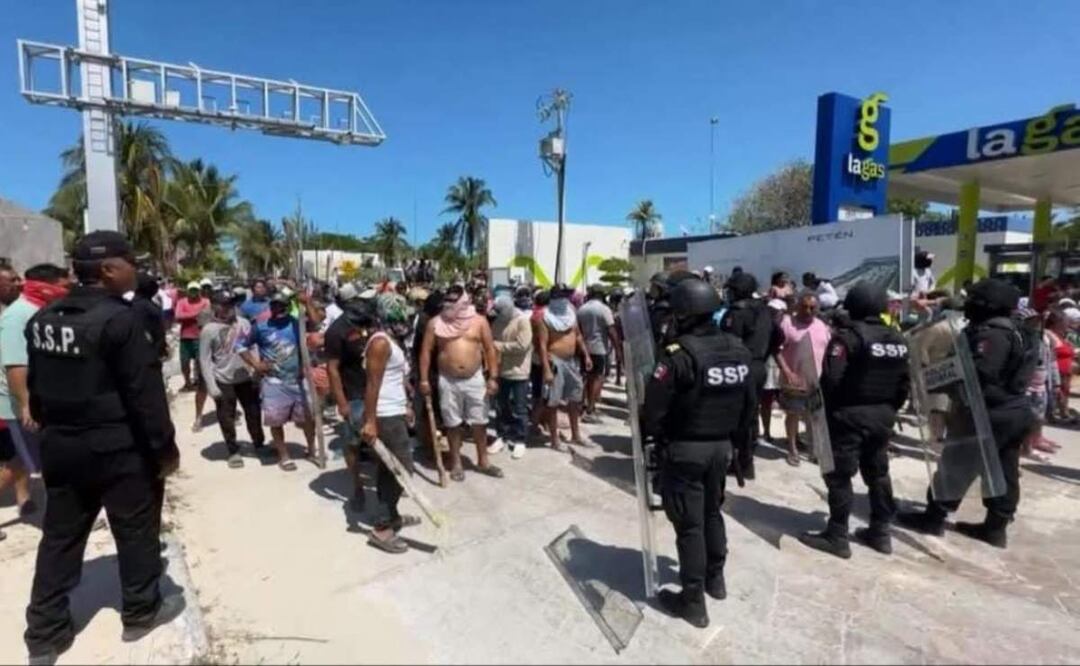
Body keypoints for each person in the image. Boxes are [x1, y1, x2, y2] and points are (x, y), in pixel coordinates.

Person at [23, 231, 183, 663]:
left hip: (61, 445)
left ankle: (45, 633)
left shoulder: (44, 318)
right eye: (131, 262)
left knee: (60, 537)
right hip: (118, 448)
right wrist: (165, 450)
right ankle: (141, 611)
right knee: (135, 530)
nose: (137, 269)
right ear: (110, 270)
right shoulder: (121, 321)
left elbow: (37, 389)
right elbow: (145, 396)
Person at [642, 278, 754, 629]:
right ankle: (715, 579)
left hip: (685, 449)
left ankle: (692, 601)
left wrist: (653, 438)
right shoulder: (738, 349)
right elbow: (749, 407)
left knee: (689, 524)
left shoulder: (678, 355)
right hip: (722, 447)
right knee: (712, 513)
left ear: (683, 314)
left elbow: (654, 411)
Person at [897, 278, 1037, 548]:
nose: (968, 305)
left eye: (973, 301)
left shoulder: (991, 334)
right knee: (1003, 470)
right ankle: (996, 528)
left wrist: (939, 380)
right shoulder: (1019, 330)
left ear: (988, 305)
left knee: (956, 465)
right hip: (1014, 411)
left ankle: (934, 517)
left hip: (987, 413)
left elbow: (980, 374)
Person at [798, 282, 911, 558]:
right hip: (883, 416)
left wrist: (827, 411)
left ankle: (837, 535)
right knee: (878, 474)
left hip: (848, 416)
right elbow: (904, 384)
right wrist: (888, 410)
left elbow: (831, 380)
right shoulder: (898, 340)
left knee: (839, 476)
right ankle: (880, 532)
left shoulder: (847, 338)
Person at [1, 263, 72, 501]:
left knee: (24, 461)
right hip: (23, 404)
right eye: (63, 286)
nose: (67, 290)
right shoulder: (17, 316)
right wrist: (26, 404)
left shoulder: (45, 309)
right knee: (29, 462)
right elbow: (16, 365)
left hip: (43, 399)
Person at [418, 285, 503, 481]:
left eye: (453, 300)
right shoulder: (435, 323)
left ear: (463, 302)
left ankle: (483, 461)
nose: (448, 304)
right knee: (452, 423)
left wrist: (493, 377)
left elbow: (490, 349)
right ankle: (456, 463)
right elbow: (425, 352)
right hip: (448, 381)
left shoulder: (479, 321)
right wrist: (423, 380)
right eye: (447, 299)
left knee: (480, 421)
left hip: (475, 380)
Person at [360, 296, 418, 554]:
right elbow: (372, 384)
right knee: (401, 470)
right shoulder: (380, 343)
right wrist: (371, 421)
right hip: (384, 415)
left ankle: (391, 516)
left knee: (390, 470)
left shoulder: (392, 340)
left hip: (394, 411)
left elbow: (395, 378)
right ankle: (382, 527)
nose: (405, 319)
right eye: (400, 315)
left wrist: (406, 405)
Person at [238, 291, 317, 471]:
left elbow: (315, 323)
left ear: (288, 307)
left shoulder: (296, 324)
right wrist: (256, 364)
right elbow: (240, 345)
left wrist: (308, 302)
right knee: (276, 421)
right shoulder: (260, 327)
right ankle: (284, 455)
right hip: (274, 382)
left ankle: (312, 449)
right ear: (271, 307)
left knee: (308, 418)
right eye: (275, 305)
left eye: (282, 306)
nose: (279, 309)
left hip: (298, 380)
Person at [720, 272, 780, 480]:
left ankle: (739, 460)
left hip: (739, 368)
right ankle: (747, 460)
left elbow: (728, 343)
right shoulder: (766, 310)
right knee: (751, 413)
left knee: (736, 414)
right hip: (759, 366)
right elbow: (778, 337)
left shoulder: (736, 313)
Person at [199, 294, 265, 468]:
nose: (228, 308)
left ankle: (259, 443)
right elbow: (205, 360)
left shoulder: (244, 323)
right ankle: (233, 450)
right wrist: (211, 386)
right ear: (215, 307)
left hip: (246, 375)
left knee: (254, 411)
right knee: (226, 416)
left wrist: (256, 369)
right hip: (223, 378)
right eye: (224, 305)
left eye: (231, 304)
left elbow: (253, 346)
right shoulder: (209, 330)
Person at [325, 295, 374, 511]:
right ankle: (358, 487)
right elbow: (332, 368)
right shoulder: (336, 332)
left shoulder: (369, 322)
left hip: (376, 389)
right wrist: (341, 402)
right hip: (353, 392)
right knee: (352, 442)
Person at [776, 291, 831, 466]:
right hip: (794, 381)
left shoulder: (822, 326)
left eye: (812, 308)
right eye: (804, 306)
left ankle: (814, 450)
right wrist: (787, 372)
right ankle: (792, 448)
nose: (808, 311)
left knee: (814, 416)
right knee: (793, 415)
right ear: (798, 306)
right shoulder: (787, 324)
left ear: (817, 309)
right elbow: (776, 350)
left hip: (816, 380)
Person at [538, 284, 592, 450]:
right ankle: (554, 440)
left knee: (575, 398)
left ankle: (576, 435)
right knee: (553, 402)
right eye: (562, 296)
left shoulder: (571, 313)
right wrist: (547, 369)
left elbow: (578, 336)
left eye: (566, 296)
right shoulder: (545, 317)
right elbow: (542, 346)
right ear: (554, 298)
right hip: (555, 362)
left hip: (571, 362)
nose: (564, 300)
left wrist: (586, 355)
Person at [490, 294, 533, 459]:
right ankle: (502, 435)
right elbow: (492, 338)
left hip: (519, 372)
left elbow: (522, 345)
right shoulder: (498, 321)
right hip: (501, 370)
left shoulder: (522, 321)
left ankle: (520, 440)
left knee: (520, 408)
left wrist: (499, 346)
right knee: (501, 406)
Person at [577, 284, 622, 422]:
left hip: (584, 348)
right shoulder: (604, 309)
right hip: (599, 348)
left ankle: (582, 404)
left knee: (585, 377)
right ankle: (591, 408)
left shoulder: (582, 309)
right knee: (598, 377)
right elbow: (611, 330)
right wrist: (618, 349)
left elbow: (578, 330)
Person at [759, 299, 787, 442]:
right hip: (768, 367)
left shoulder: (787, 327)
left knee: (787, 402)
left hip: (783, 367)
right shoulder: (763, 326)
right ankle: (766, 432)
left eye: (776, 311)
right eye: (771, 311)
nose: (773, 313)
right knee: (766, 401)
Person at [175, 281, 208, 392]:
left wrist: (187, 316)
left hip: (200, 337)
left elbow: (206, 316)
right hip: (185, 337)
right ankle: (187, 383)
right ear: (188, 291)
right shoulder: (182, 302)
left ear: (199, 291)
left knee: (199, 362)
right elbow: (178, 316)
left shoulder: (205, 301)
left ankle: (199, 382)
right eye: (191, 290)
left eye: (195, 290)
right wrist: (196, 314)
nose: (193, 292)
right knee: (184, 362)